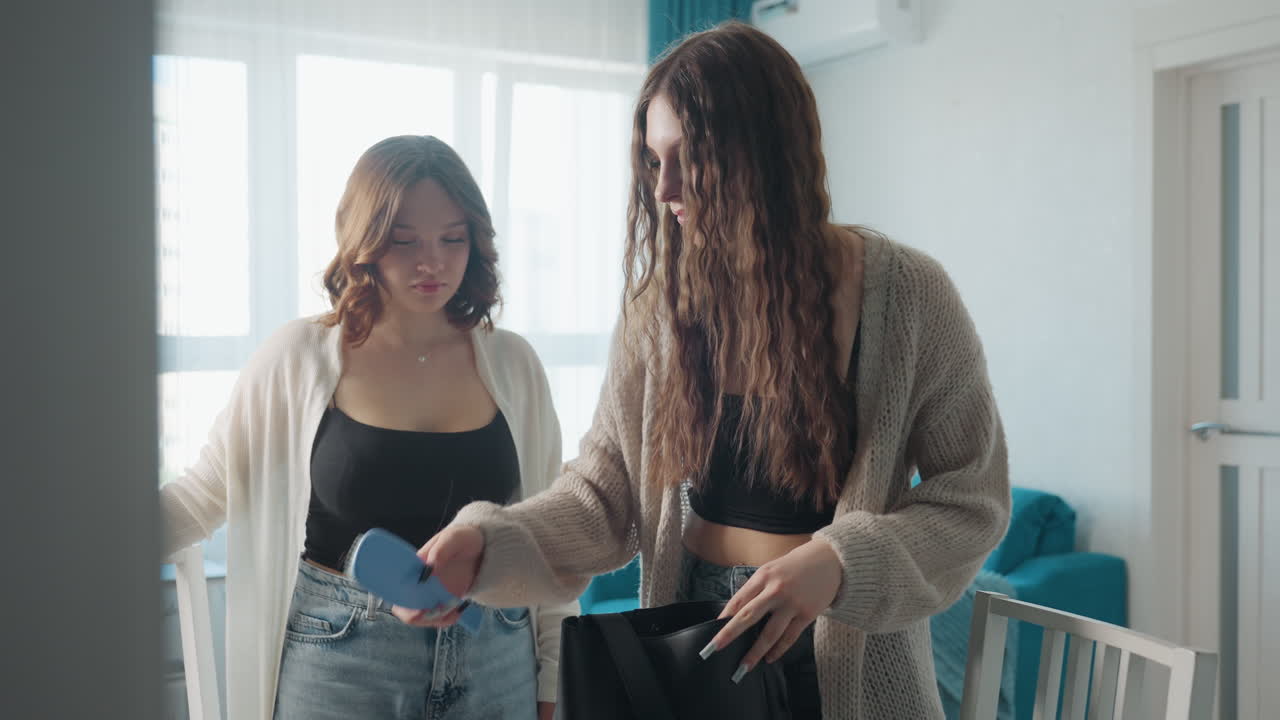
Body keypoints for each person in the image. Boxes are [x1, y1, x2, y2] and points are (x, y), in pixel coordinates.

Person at [407, 20, 1011, 720]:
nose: (664, 188)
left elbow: (972, 500)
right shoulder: (658, 312)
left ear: (763, 150)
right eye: (651, 159)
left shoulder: (907, 295)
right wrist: (489, 542)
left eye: (688, 157)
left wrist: (840, 561)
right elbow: (602, 496)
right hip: (694, 648)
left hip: (845, 661)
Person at [160, 135, 573, 720]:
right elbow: (205, 493)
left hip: (497, 654)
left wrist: (554, 680)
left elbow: (550, 529)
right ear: (365, 243)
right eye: (405, 241)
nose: (432, 262)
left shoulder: (514, 363)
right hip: (342, 660)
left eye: (452, 239)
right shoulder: (297, 358)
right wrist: (82, 549)